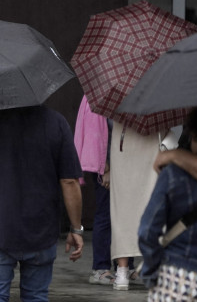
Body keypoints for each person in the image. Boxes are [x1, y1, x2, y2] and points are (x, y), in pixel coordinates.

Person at [0, 105, 84, 301]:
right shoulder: (55, 121)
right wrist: (76, 228)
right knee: (36, 296)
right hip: (41, 228)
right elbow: (69, 181)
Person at [138, 106, 197, 300]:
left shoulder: (172, 174)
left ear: (192, 133)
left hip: (176, 276)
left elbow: (147, 231)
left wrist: (151, 272)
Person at [108, 123, 178, 290]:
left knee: (122, 209)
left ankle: (123, 271)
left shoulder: (118, 98)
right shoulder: (158, 98)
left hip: (124, 144)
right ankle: (152, 269)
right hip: (150, 141)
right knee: (151, 206)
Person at [73, 96, 114, 285]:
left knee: (124, 214)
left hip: (122, 161)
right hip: (103, 164)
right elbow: (95, 133)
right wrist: (105, 166)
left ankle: (126, 265)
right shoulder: (98, 93)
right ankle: (100, 267)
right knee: (105, 213)